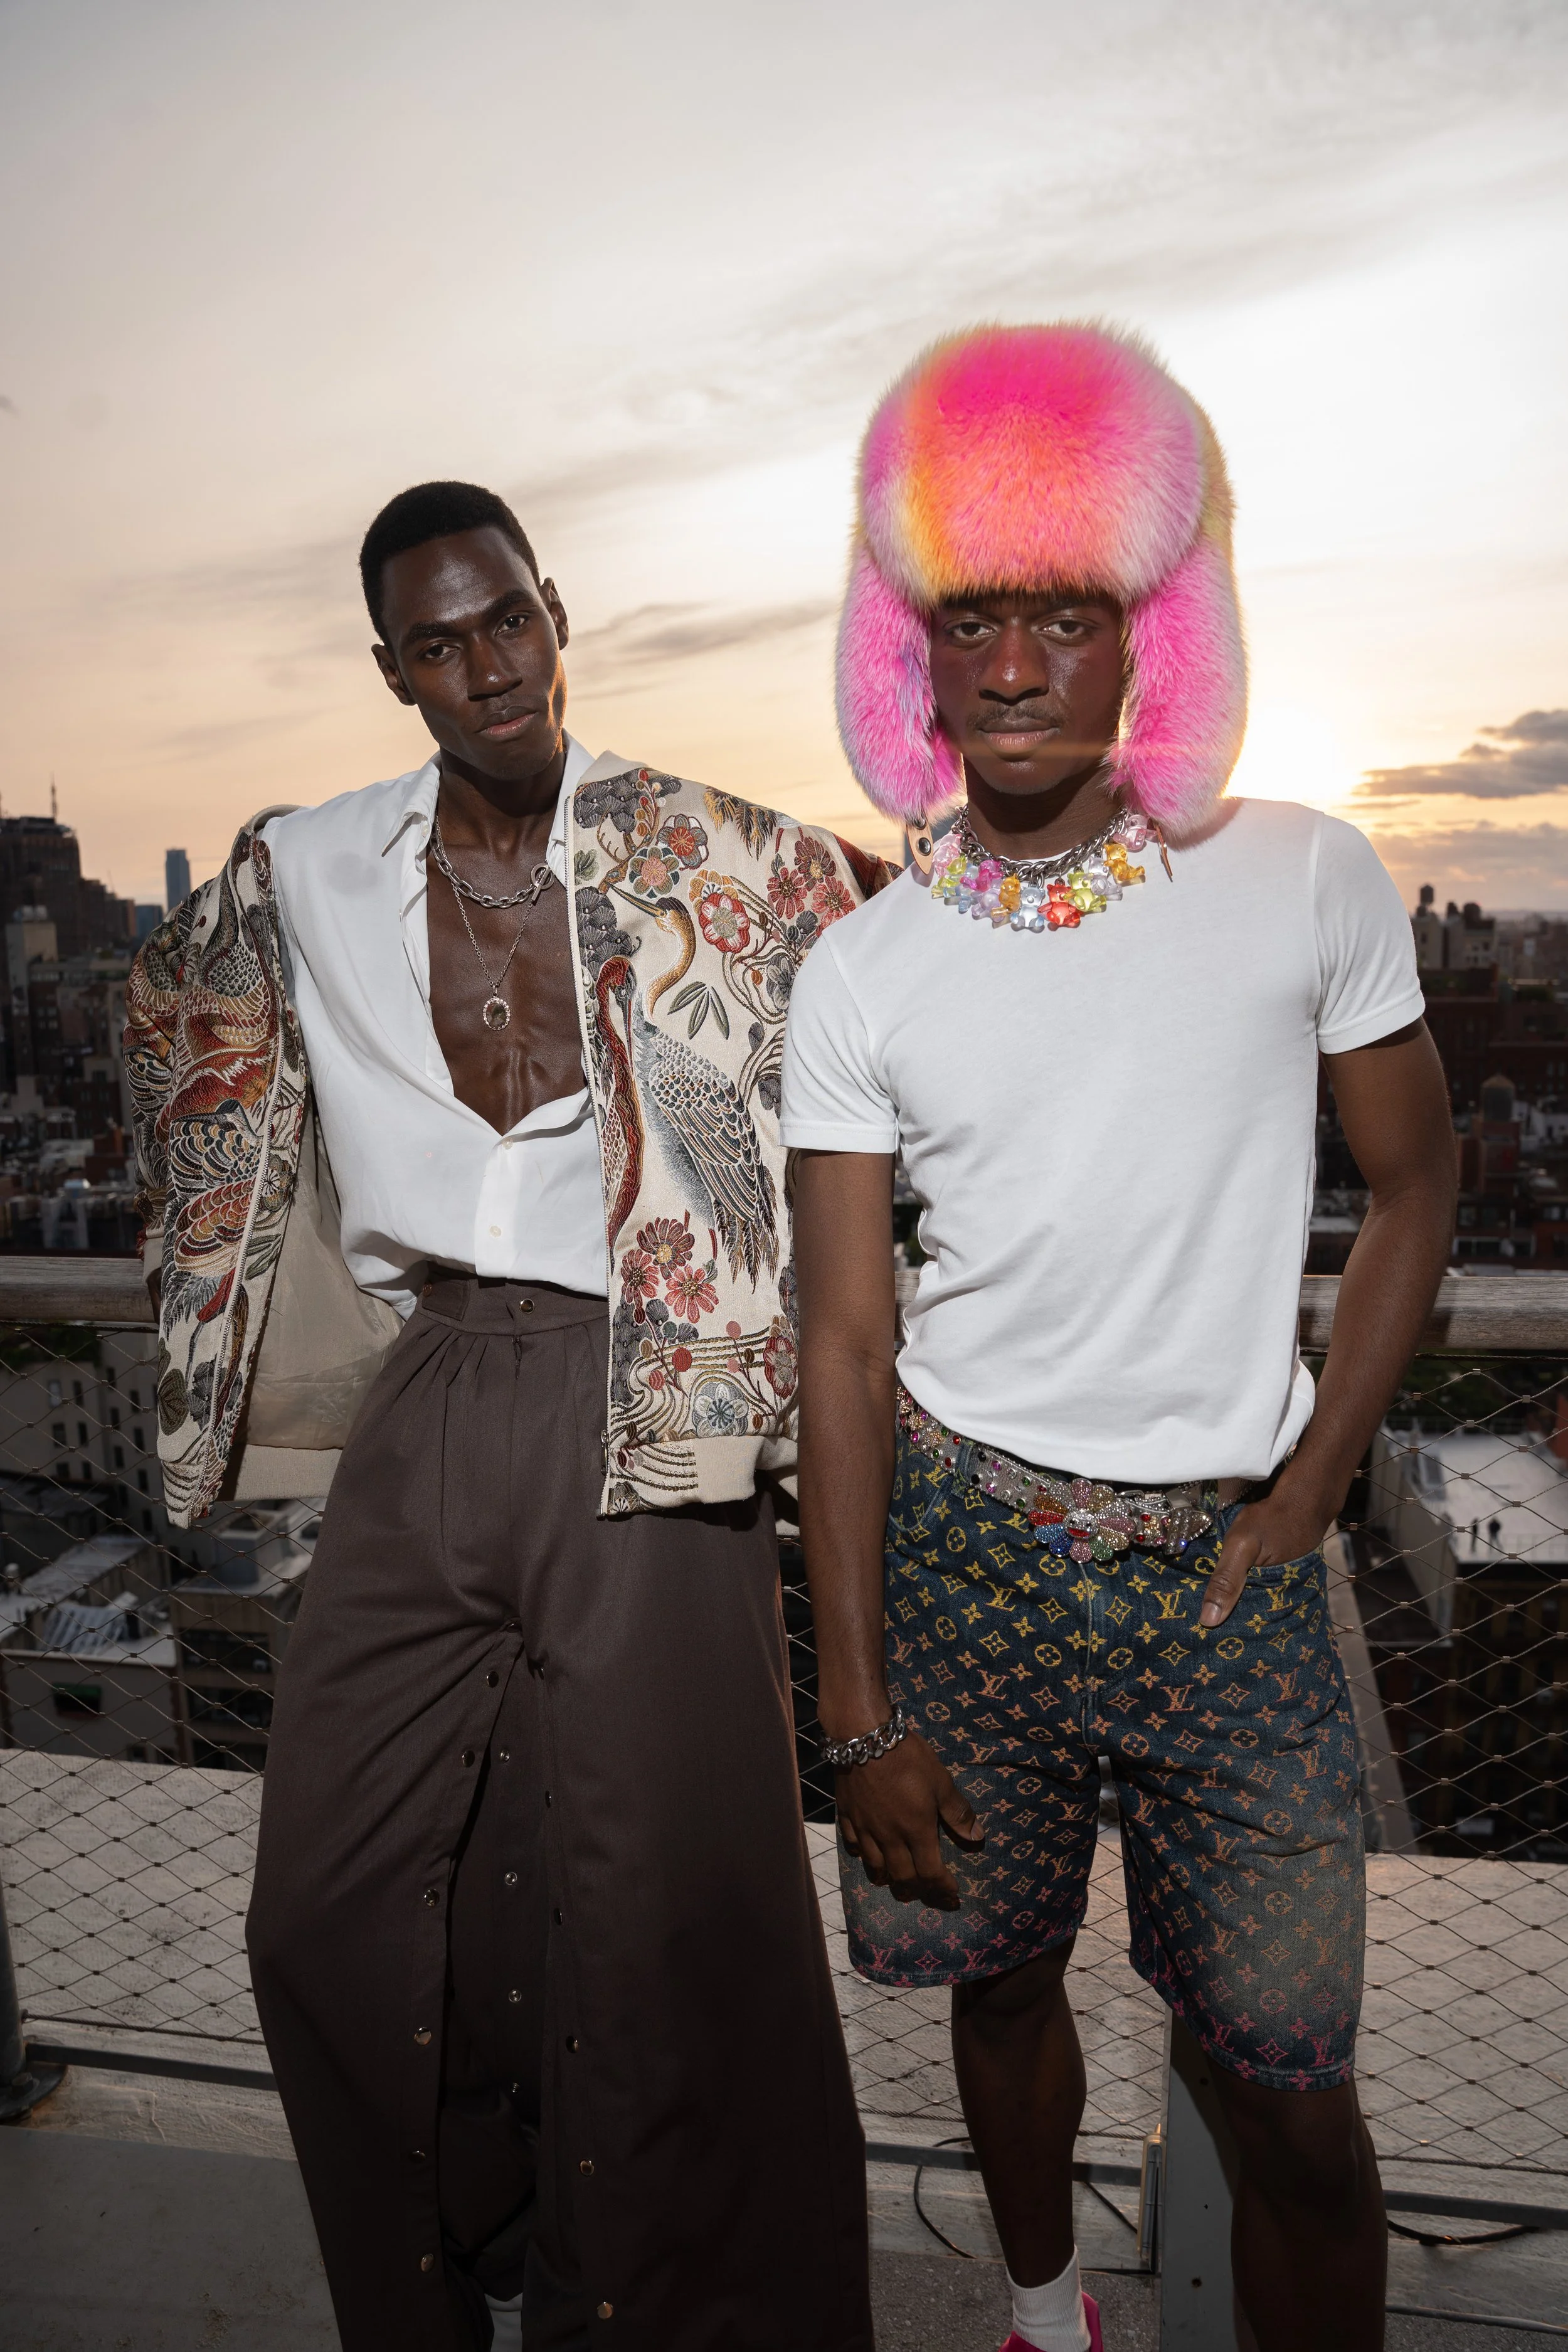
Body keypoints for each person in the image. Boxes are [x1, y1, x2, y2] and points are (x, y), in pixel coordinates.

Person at [123, 480, 886, 2352]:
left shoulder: (726, 858)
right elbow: (177, 1039)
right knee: (321, 1906)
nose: (489, 668)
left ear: (559, 613)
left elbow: (899, 1022)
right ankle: (445, 2274)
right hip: (431, 1386)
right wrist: (253, 1305)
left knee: (651, 1921)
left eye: (509, 621)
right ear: (395, 672)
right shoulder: (301, 865)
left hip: (655, 1392)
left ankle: (643, 2308)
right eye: (441, 643)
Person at [781, 326, 1456, 2352]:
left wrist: (1318, 1477)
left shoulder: (1303, 879)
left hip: (1229, 1572)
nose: (1008, 668)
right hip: (965, 1556)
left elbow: (1418, 1186)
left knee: (1287, 2090)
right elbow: (837, 1337)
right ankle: (1052, 2310)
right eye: (967, 618)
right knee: (991, 1987)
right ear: (906, 648)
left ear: (1150, 631)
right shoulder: (864, 966)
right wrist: (857, 1706)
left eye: (1061, 620)